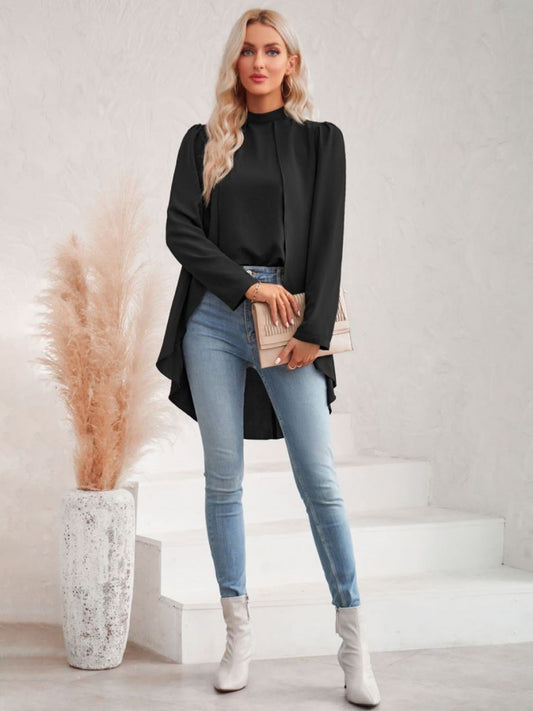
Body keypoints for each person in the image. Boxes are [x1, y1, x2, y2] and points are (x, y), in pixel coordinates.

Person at [157, 8, 381, 707]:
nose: (258, 62)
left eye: (272, 50)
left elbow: (329, 239)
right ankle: (238, 637)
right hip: (214, 319)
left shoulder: (321, 142)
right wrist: (246, 285)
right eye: (248, 50)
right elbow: (180, 231)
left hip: (290, 325)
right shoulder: (204, 141)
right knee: (223, 480)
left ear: (291, 62)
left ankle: (353, 645)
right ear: (235, 61)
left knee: (319, 480)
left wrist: (314, 329)